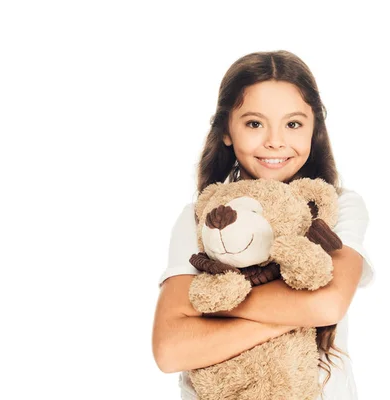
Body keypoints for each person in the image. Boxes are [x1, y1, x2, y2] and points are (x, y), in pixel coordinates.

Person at [151, 50, 375, 400]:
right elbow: (169, 350)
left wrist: (210, 305)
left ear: (314, 127)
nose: (274, 141)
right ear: (227, 130)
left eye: (293, 124)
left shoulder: (339, 205)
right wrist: (295, 308)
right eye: (254, 123)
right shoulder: (202, 217)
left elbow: (327, 306)